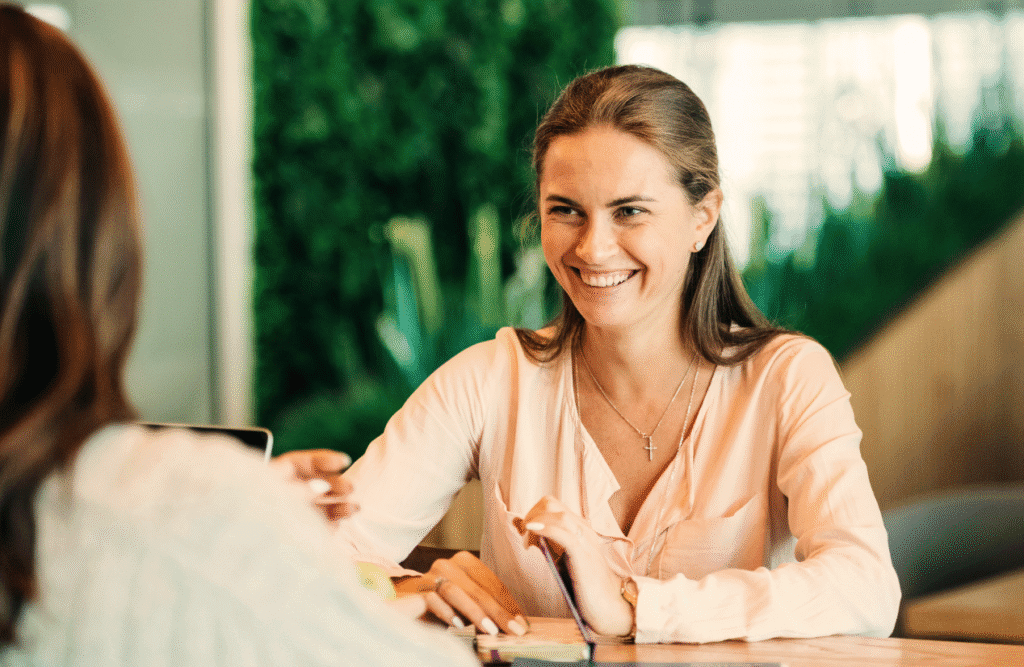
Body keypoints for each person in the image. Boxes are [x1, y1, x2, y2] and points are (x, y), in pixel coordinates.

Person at [333, 64, 902, 643]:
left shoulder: (787, 378)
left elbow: (865, 587)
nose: (593, 247)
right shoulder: (488, 381)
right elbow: (316, 553)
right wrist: (412, 589)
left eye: (629, 211)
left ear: (702, 219)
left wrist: (635, 607)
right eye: (566, 210)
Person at [0, 6, 477, 665]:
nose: (593, 246)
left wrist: (254, 529)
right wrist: (245, 531)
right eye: (563, 209)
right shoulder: (162, 518)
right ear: (95, 238)